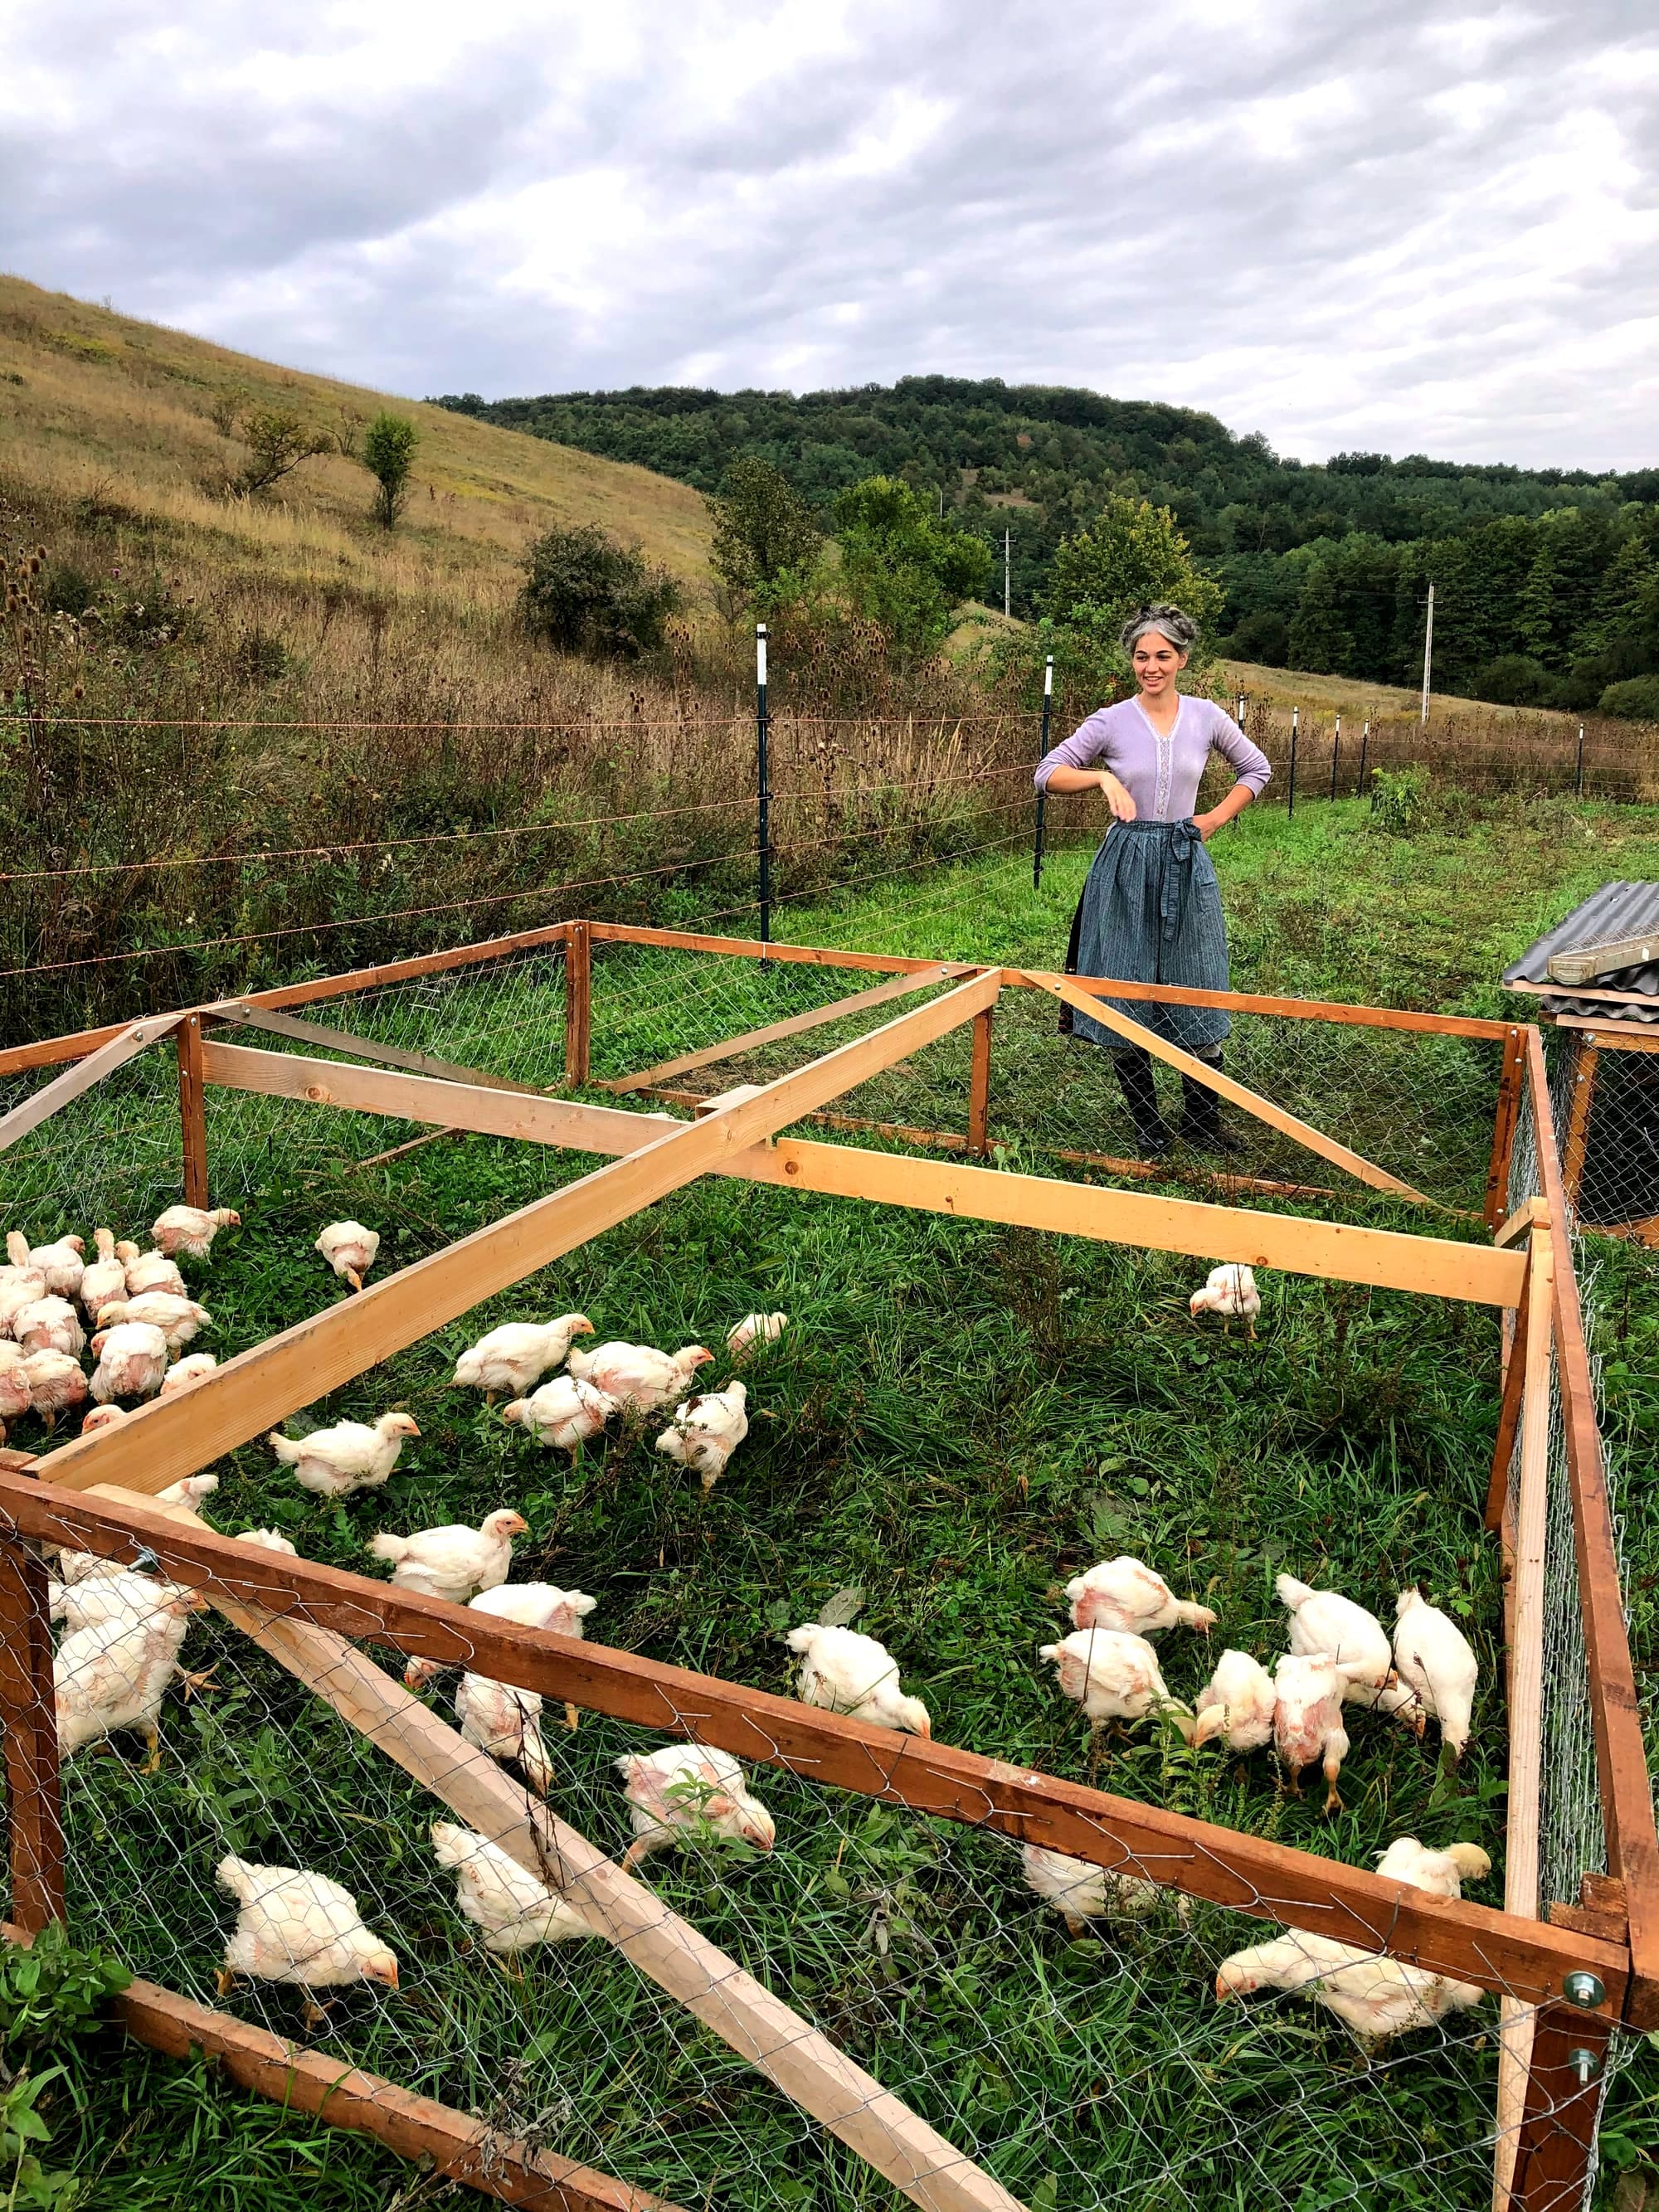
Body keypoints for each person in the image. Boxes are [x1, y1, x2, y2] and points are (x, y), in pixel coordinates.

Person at [1034, 604, 1272, 1159]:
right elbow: (1047, 772)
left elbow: (1256, 769)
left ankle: (1202, 1121)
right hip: (1126, 866)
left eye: (1163, 655)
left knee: (1199, 977)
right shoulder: (1110, 720)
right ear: (1132, 661)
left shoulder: (1206, 716)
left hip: (1186, 860)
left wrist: (1213, 819)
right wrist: (1099, 777)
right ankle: (1148, 1123)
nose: (1152, 666)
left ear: (1182, 658)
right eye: (1142, 656)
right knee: (1125, 981)